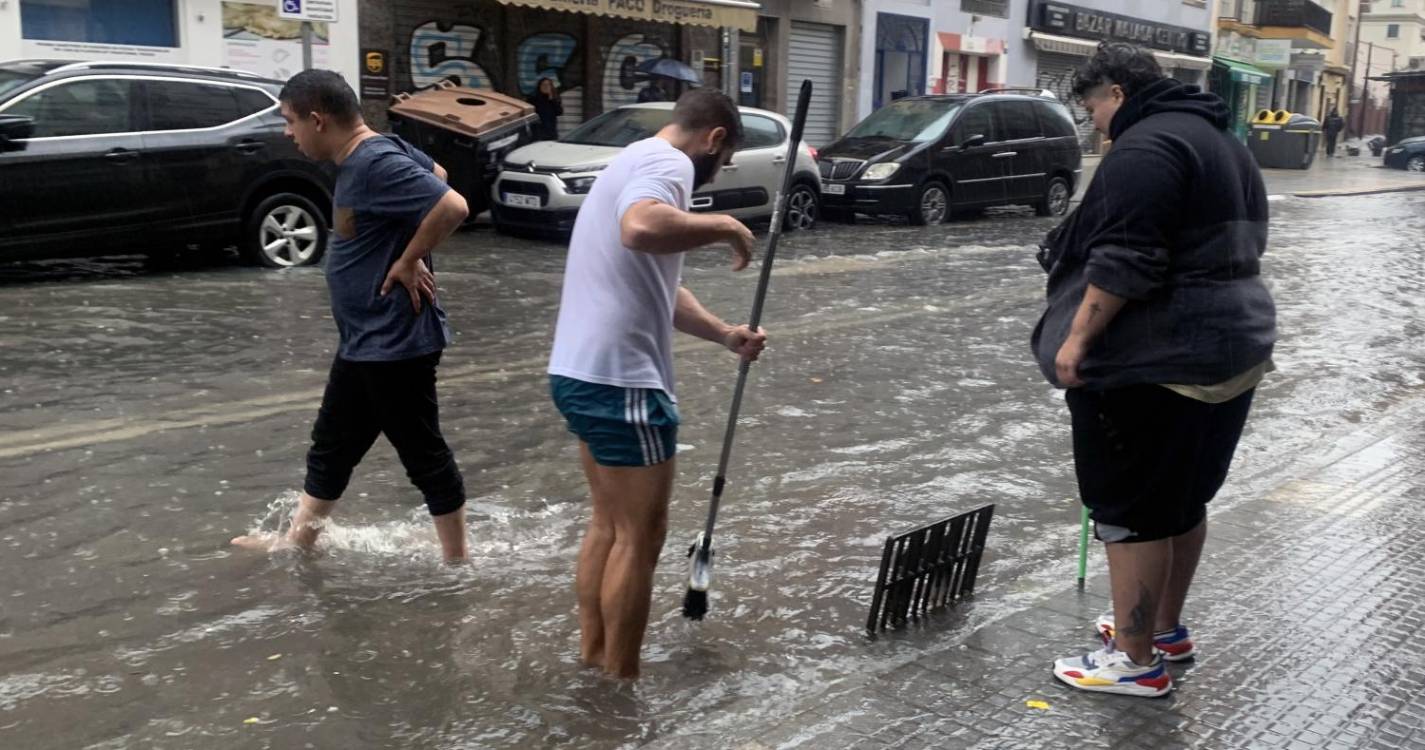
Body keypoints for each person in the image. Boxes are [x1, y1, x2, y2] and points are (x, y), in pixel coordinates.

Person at [1031, 43, 1276, 697]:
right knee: (1182, 499)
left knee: (1130, 507)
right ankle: (1164, 630)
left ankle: (1135, 661)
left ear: (1115, 93)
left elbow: (1125, 260)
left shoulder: (1144, 148)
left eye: (1092, 109)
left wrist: (1075, 342)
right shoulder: (1222, 142)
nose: (1095, 125)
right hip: (1232, 346)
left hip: (1154, 358)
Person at [548, 87, 766, 680]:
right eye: (723, 161)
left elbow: (659, 286)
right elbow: (641, 229)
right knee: (641, 537)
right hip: (623, 381)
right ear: (714, 139)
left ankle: (595, 661)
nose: (716, 173)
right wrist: (725, 225)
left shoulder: (633, 158)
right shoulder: (669, 164)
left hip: (579, 372)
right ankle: (621, 686)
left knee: (609, 526)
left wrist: (725, 334)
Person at [232, 70, 472, 562]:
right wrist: (405, 243)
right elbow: (439, 175)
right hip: (366, 338)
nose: (288, 132)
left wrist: (409, 258)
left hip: (394, 342)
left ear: (318, 120)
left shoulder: (373, 162)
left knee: (422, 452)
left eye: (290, 121)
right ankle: (298, 543)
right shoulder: (377, 152)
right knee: (332, 445)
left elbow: (452, 204)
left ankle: (457, 561)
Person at [529, 77, 563, 141]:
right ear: (539, 86)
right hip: (538, 131)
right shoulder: (533, 98)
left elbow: (559, 112)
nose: (546, 87)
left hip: (551, 131)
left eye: (548, 85)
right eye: (544, 85)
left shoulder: (555, 98)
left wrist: (552, 99)